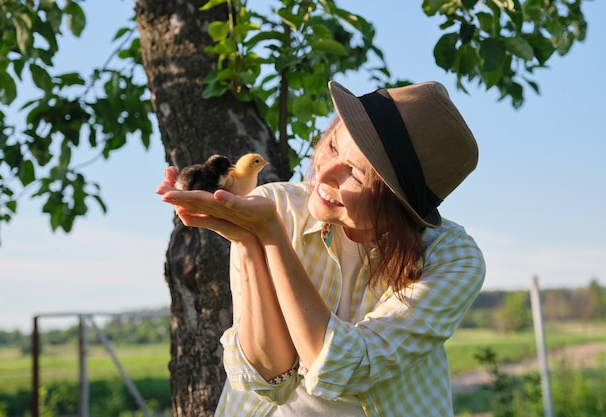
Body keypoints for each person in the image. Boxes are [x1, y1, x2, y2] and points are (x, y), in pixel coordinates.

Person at [156, 80, 486, 417]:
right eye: (331, 147)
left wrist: (271, 236)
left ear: (398, 202)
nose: (323, 174)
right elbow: (269, 378)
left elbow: (344, 369)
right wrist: (249, 239)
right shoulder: (276, 206)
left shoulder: (452, 260)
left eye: (355, 175)